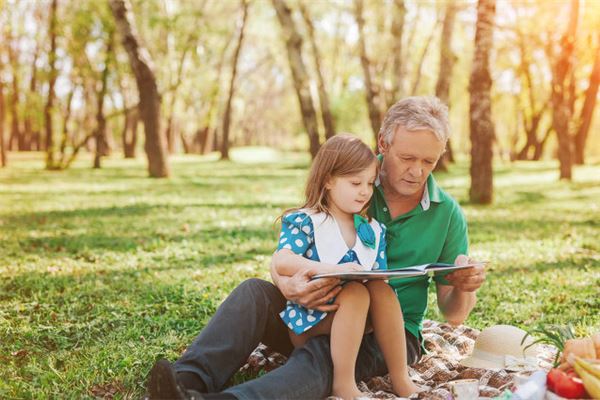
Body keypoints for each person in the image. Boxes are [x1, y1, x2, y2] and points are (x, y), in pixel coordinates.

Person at [147, 96, 486, 400]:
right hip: (316, 309)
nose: (417, 172)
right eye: (407, 157)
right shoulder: (355, 181)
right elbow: (288, 252)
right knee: (253, 293)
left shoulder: (447, 213)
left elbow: (454, 313)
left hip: (389, 334)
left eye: (429, 161)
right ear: (384, 143)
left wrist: (462, 286)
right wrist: (288, 287)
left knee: (328, 353)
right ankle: (185, 380)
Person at [273, 135, 419, 399]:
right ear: (328, 180)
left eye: (369, 184)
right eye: (355, 183)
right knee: (354, 293)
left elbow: (377, 279)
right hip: (310, 320)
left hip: (358, 326)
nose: (364, 191)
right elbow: (282, 260)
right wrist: (329, 268)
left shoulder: (374, 230)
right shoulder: (306, 221)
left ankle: (400, 377)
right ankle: (344, 383)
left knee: (380, 290)